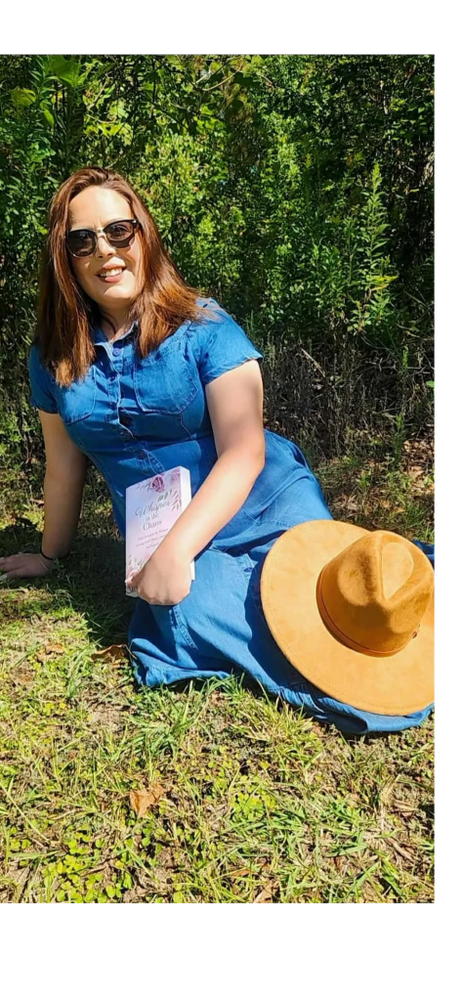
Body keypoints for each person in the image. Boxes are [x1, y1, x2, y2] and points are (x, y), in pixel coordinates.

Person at [0, 167, 436, 734]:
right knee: (187, 612)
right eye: (81, 240)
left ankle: (396, 624)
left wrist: (177, 552)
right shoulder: (53, 356)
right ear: (65, 257)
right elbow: (64, 466)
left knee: (344, 600)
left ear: (144, 235)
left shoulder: (204, 325)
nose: (103, 250)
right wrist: (52, 555)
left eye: (118, 232)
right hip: (161, 529)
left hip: (259, 502)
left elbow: (245, 450)